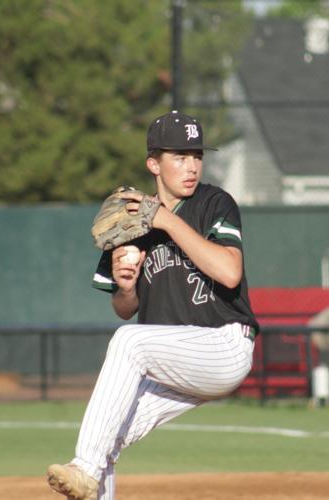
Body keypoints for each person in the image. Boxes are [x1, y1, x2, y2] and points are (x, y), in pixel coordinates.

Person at [46, 110, 258, 500]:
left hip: (223, 345)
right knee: (109, 432)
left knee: (129, 342)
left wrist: (165, 221)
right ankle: (92, 469)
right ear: (153, 164)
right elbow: (124, 309)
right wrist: (126, 287)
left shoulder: (214, 203)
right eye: (179, 156)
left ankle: (84, 468)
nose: (191, 166)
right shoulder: (130, 222)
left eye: (196, 155)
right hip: (170, 363)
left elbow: (229, 273)